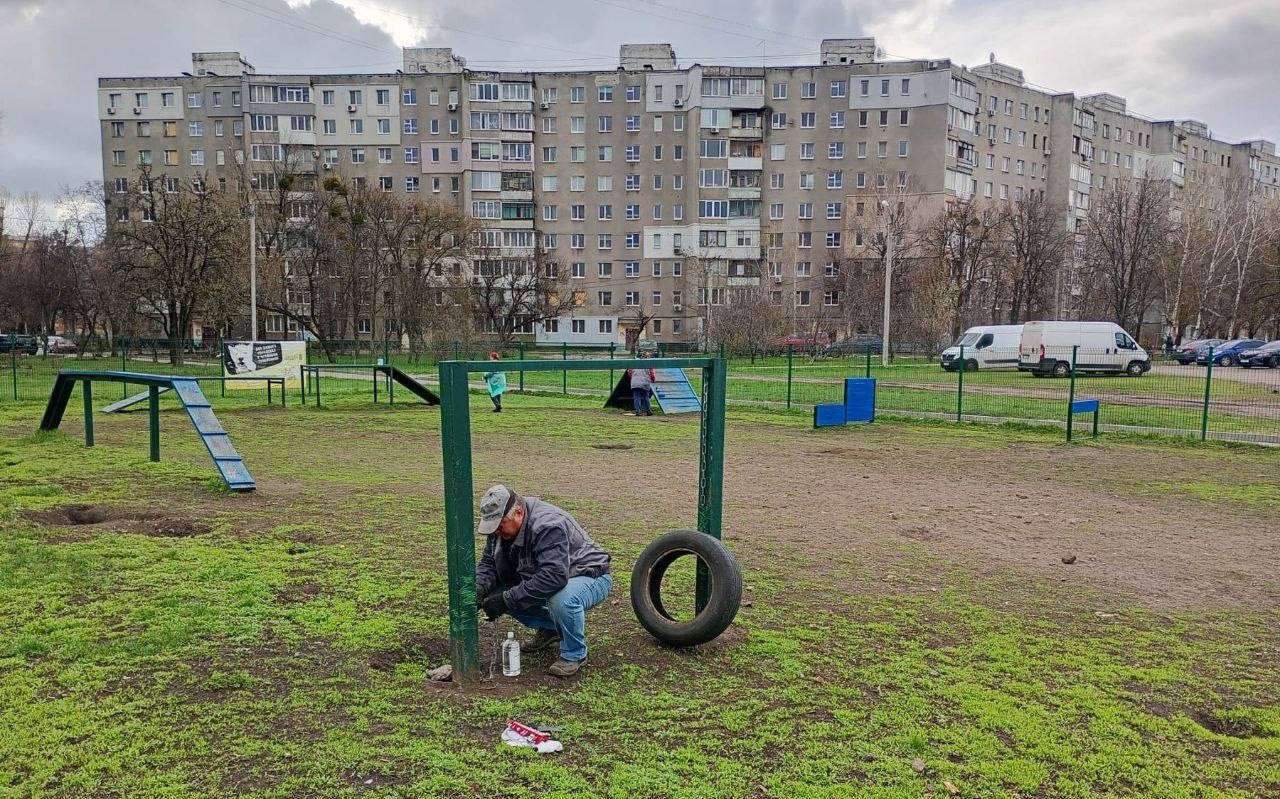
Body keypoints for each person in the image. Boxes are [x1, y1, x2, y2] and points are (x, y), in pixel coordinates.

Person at [474, 485, 612, 677]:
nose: (495, 531)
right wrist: (479, 588)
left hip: (589, 575)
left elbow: (554, 577)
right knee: (497, 593)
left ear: (519, 513)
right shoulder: (501, 528)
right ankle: (551, 629)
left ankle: (574, 654)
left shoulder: (548, 525)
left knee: (561, 598)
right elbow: (489, 562)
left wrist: (507, 600)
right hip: (546, 574)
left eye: (499, 525)